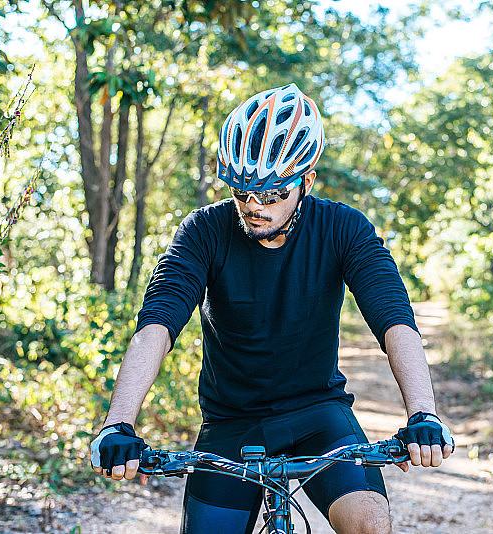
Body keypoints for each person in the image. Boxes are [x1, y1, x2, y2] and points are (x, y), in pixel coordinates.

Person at [89, 83, 454, 534]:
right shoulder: (203, 231)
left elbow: (394, 320)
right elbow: (157, 326)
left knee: (369, 523)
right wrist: (118, 423)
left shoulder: (344, 229)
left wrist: (423, 414)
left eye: (272, 195)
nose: (253, 207)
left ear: (306, 182)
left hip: (318, 413)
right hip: (230, 423)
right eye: (243, 193)